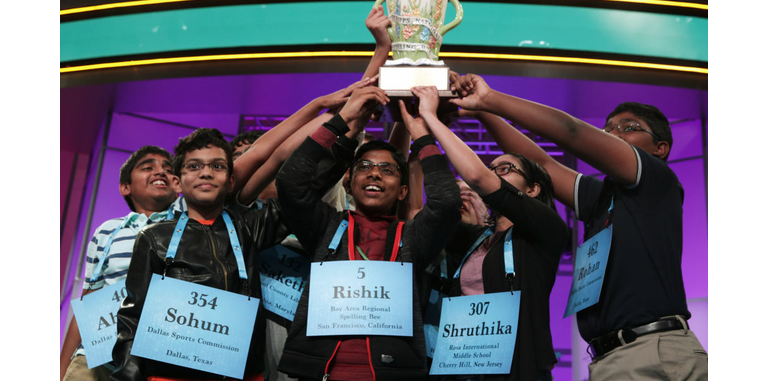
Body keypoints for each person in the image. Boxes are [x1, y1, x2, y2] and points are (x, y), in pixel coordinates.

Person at [449, 73, 708, 380]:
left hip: (653, 350)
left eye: (629, 127)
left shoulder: (656, 180)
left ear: (660, 148)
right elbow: (543, 166)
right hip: (611, 357)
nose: (613, 134)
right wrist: (482, 112)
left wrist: (490, 98)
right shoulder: (601, 196)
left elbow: (571, 131)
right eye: (608, 128)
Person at [275, 86, 462, 380]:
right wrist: (342, 120)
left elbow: (447, 204)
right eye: (365, 166)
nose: (374, 173)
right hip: (319, 373)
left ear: (403, 191)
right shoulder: (326, 227)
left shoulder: (412, 238)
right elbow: (290, 183)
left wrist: (422, 137)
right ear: (349, 182)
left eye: (387, 169)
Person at [410, 85, 569, 381]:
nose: (494, 175)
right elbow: (419, 213)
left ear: (533, 189)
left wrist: (430, 116)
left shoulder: (547, 229)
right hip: (464, 367)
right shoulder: (478, 239)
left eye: (505, 169)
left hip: (517, 372)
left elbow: (476, 176)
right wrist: (418, 133)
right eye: (491, 169)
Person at [110, 128, 291, 381]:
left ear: (230, 180)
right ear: (177, 182)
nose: (206, 173)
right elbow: (132, 319)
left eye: (217, 166)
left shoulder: (248, 229)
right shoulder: (153, 237)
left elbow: (301, 191)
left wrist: (339, 122)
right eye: (193, 166)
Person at [60, 146, 185, 381]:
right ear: (125, 187)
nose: (161, 172)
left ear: (178, 183)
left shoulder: (190, 226)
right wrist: (61, 368)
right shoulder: (107, 231)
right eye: (148, 167)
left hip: (158, 356)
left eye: (169, 169)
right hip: (96, 358)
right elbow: (88, 301)